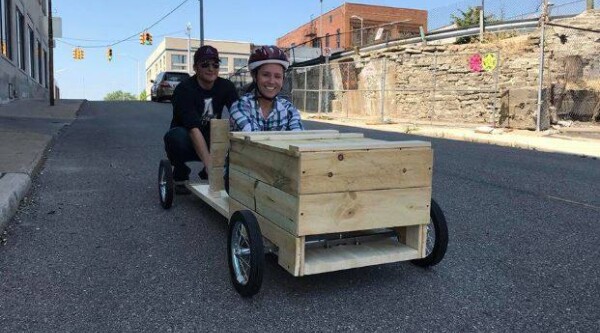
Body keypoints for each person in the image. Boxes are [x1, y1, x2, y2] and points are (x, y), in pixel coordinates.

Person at [226, 45, 303, 191]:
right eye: (266, 75)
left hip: (277, 175)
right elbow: (256, 143)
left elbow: (299, 139)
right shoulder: (241, 106)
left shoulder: (289, 109)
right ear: (255, 76)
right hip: (241, 173)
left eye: (277, 76)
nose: (272, 81)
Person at [164, 45, 238, 194]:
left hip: (212, 136)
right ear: (195, 67)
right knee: (174, 138)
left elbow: (239, 115)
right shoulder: (184, 90)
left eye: (215, 64)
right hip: (187, 138)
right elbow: (193, 129)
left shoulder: (226, 86)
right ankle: (181, 171)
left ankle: (213, 170)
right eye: (205, 64)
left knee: (235, 133)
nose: (211, 68)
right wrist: (211, 167)